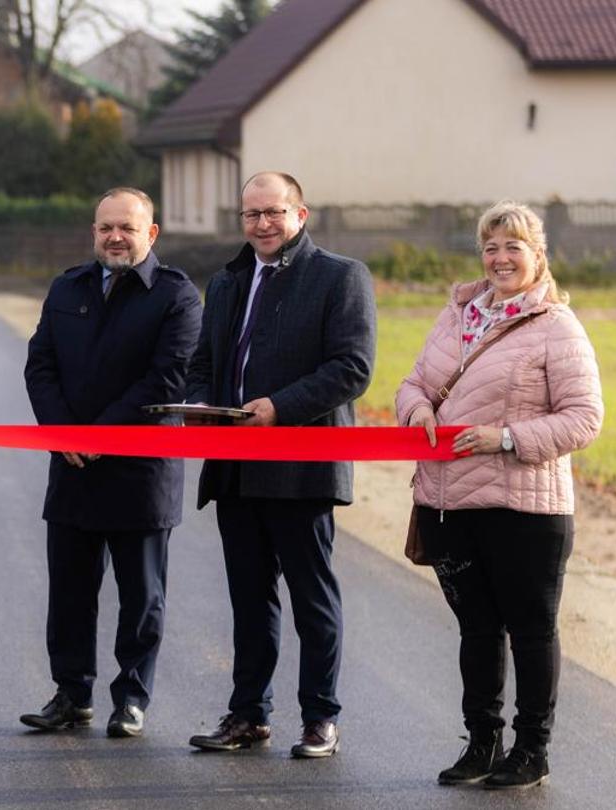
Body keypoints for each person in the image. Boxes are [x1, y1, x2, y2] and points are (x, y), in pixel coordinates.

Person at [396, 201, 603, 790]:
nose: (500, 258)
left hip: (526, 508)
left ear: (538, 256)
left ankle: (531, 749)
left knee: (531, 630)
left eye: (514, 247)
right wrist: (416, 411)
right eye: (491, 247)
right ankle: (481, 743)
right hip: (450, 501)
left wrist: (506, 437)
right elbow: (414, 383)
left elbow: (584, 419)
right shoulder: (458, 315)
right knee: (477, 630)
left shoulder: (556, 326)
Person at [182, 172, 375, 759]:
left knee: (312, 602)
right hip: (235, 468)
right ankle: (248, 715)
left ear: (300, 214)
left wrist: (280, 408)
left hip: (301, 468)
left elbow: (353, 367)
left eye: (274, 212)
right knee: (249, 600)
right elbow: (205, 360)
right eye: (251, 214)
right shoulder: (227, 280)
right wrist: (196, 402)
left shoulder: (340, 276)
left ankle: (321, 718)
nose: (262, 224)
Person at [19, 188, 202, 738]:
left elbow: (168, 377)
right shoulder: (67, 287)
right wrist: (63, 435)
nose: (115, 237)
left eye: (126, 227)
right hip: (72, 466)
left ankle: (132, 698)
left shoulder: (177, 296)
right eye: (105, 228)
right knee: (69, 594)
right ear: (93, 232)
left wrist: (100, 434)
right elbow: (40, 367)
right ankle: (71, 695)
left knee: (141, 597)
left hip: (140, 472)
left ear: (152, 233)